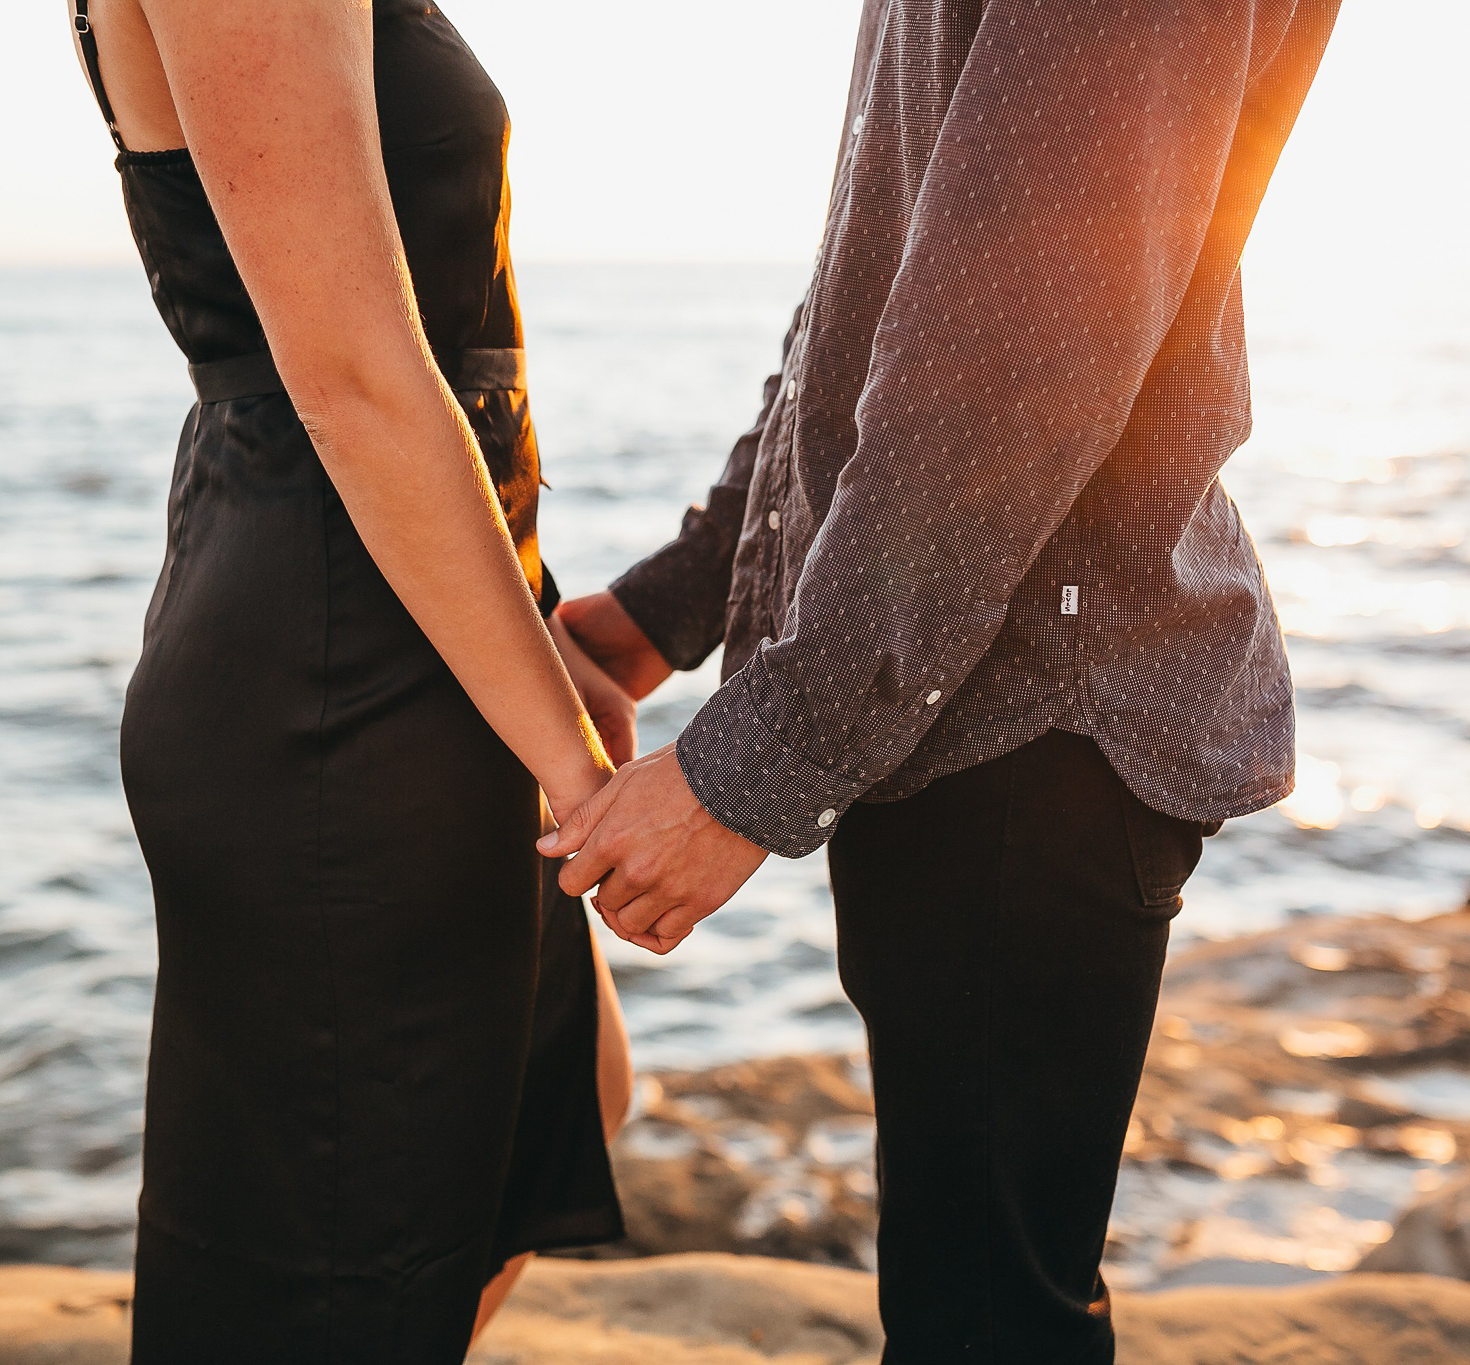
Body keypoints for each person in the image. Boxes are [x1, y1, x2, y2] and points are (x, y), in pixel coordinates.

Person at [546, 0, 1343, 1359]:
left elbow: (1010, 355)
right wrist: (667, 608)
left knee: (987, 1328)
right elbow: (882, 320)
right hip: (975, 716)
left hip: (1034, 727)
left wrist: (750, 769)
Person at [67, 0, 636, 1358]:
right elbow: (355, 375)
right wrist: (578, 776)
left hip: (424, 626)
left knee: (549, 1119)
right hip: (336, 674)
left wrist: (537, 627)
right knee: (326, 1280)